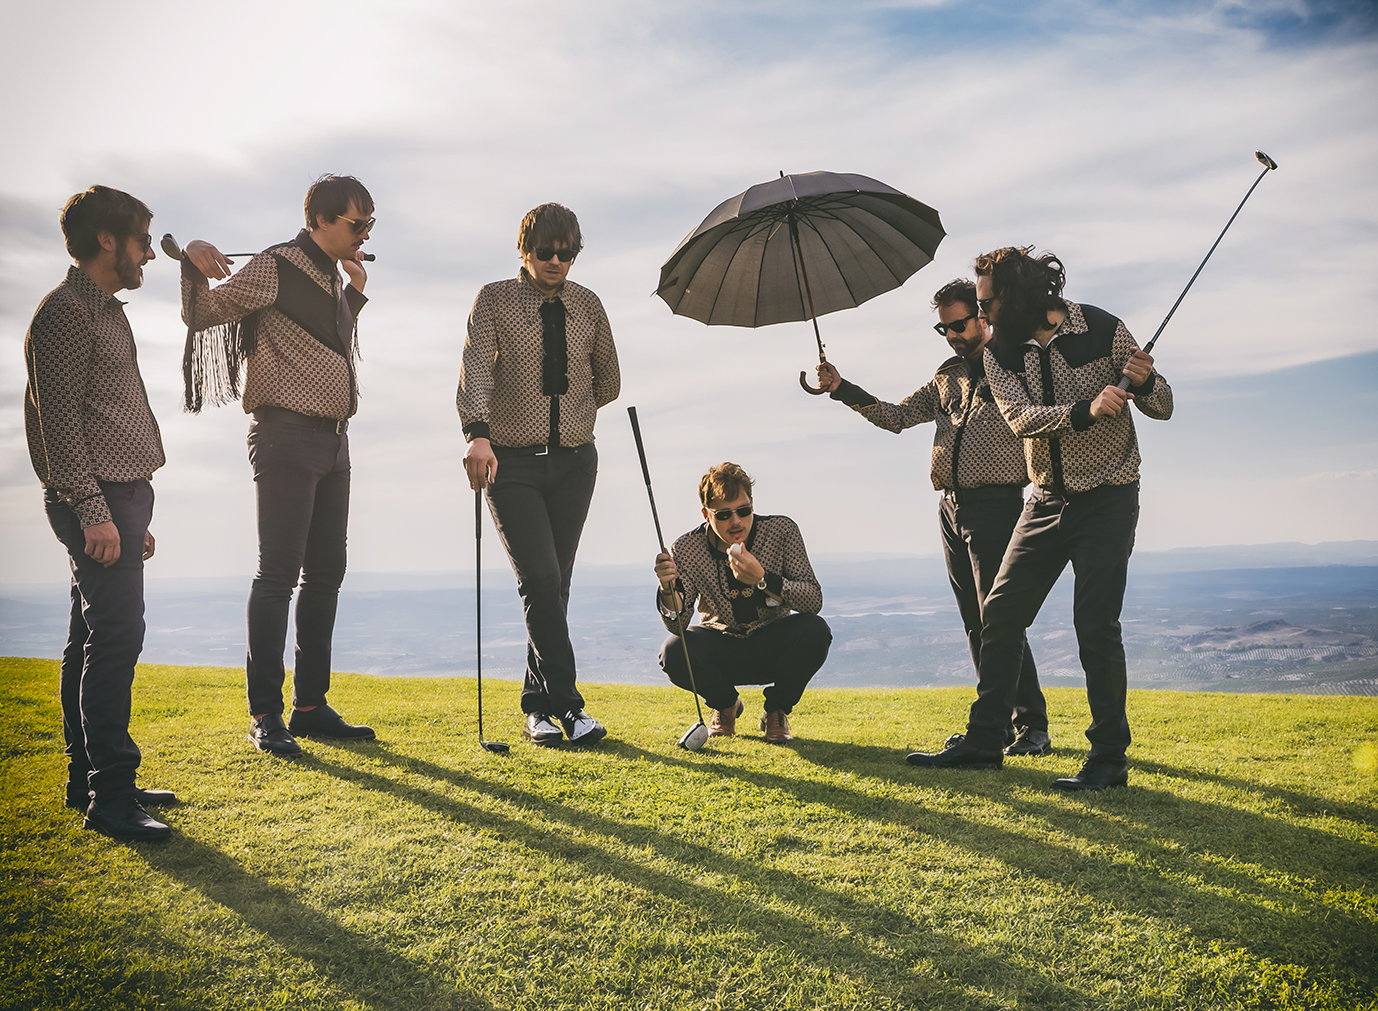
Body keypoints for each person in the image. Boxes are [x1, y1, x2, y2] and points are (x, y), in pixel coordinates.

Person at [907, 246, 1173, 790]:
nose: (980, 317)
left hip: (1110, 498)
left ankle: (1108, 761)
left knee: (1095, 627)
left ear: (1018, 295)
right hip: (1046, 501)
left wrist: (1143, 382)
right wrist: (1085, 410)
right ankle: (986, 741)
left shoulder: (1103, 328)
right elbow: (1020, 419)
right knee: (1000, 614)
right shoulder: (999, 352)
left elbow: (1164, 404)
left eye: (985, 303)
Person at [180, 174, 377, 755]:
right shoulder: (275, 265)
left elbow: (328, 340)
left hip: (335, 442)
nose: (363, 233)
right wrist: (191, 260)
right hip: (286, 436)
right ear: (318, 219)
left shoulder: (329, 276)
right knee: (278, 576)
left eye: (369, 224)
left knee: (326, 575)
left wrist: (355, 294)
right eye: (355, 223)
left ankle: (311, 706)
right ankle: (265, 714)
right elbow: (206, 313)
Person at [816, 279, 1050, 757]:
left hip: (998, 503)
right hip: (950, 505)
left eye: (958, 324)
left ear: (983, 315)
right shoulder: (946, 375)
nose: (951, 335)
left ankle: (1033, 727)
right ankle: (998, 724)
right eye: (942, 328)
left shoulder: (1013, 363)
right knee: (973, 620)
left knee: (999, 619)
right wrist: (841, 389)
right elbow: (898, 416)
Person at [25, 185, 177, 840]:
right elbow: (58, 425)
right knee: (117, 636)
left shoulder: (105, 312)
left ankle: (88, 777)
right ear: (109, 240)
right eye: (143, 238)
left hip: (119, 495)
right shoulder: (64, 314)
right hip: (96, 497)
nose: (148, 251)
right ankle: (111, 799)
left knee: (90, 636)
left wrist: (127, 511)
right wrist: (95, 511)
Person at [458, 203, 621, 746]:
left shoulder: (588, 304)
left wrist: (573, 410)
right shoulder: (495, 299)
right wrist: (479, 434)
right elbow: (476, 369)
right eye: (545, 251)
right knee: (542, 581)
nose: (555, 261)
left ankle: (535, 707)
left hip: (576, 462)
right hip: (511, 463)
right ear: (523, 250)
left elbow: (610, 382)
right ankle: (570, 709)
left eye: (566, 253)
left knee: (554, 585)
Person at [653, 462, 831, 743]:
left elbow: (813, 600)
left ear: (752, 504)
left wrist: (764, 580)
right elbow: (678, 623)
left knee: (816, 631)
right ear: (706, 514)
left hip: (772, 642)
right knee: (673, 651)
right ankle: (725, 705)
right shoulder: (686, 548)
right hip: (719, 644)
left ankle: (777, 711)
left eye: (743, 510)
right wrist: (666, 589)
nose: (735, 521)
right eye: (723, 514)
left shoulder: (781, 531)